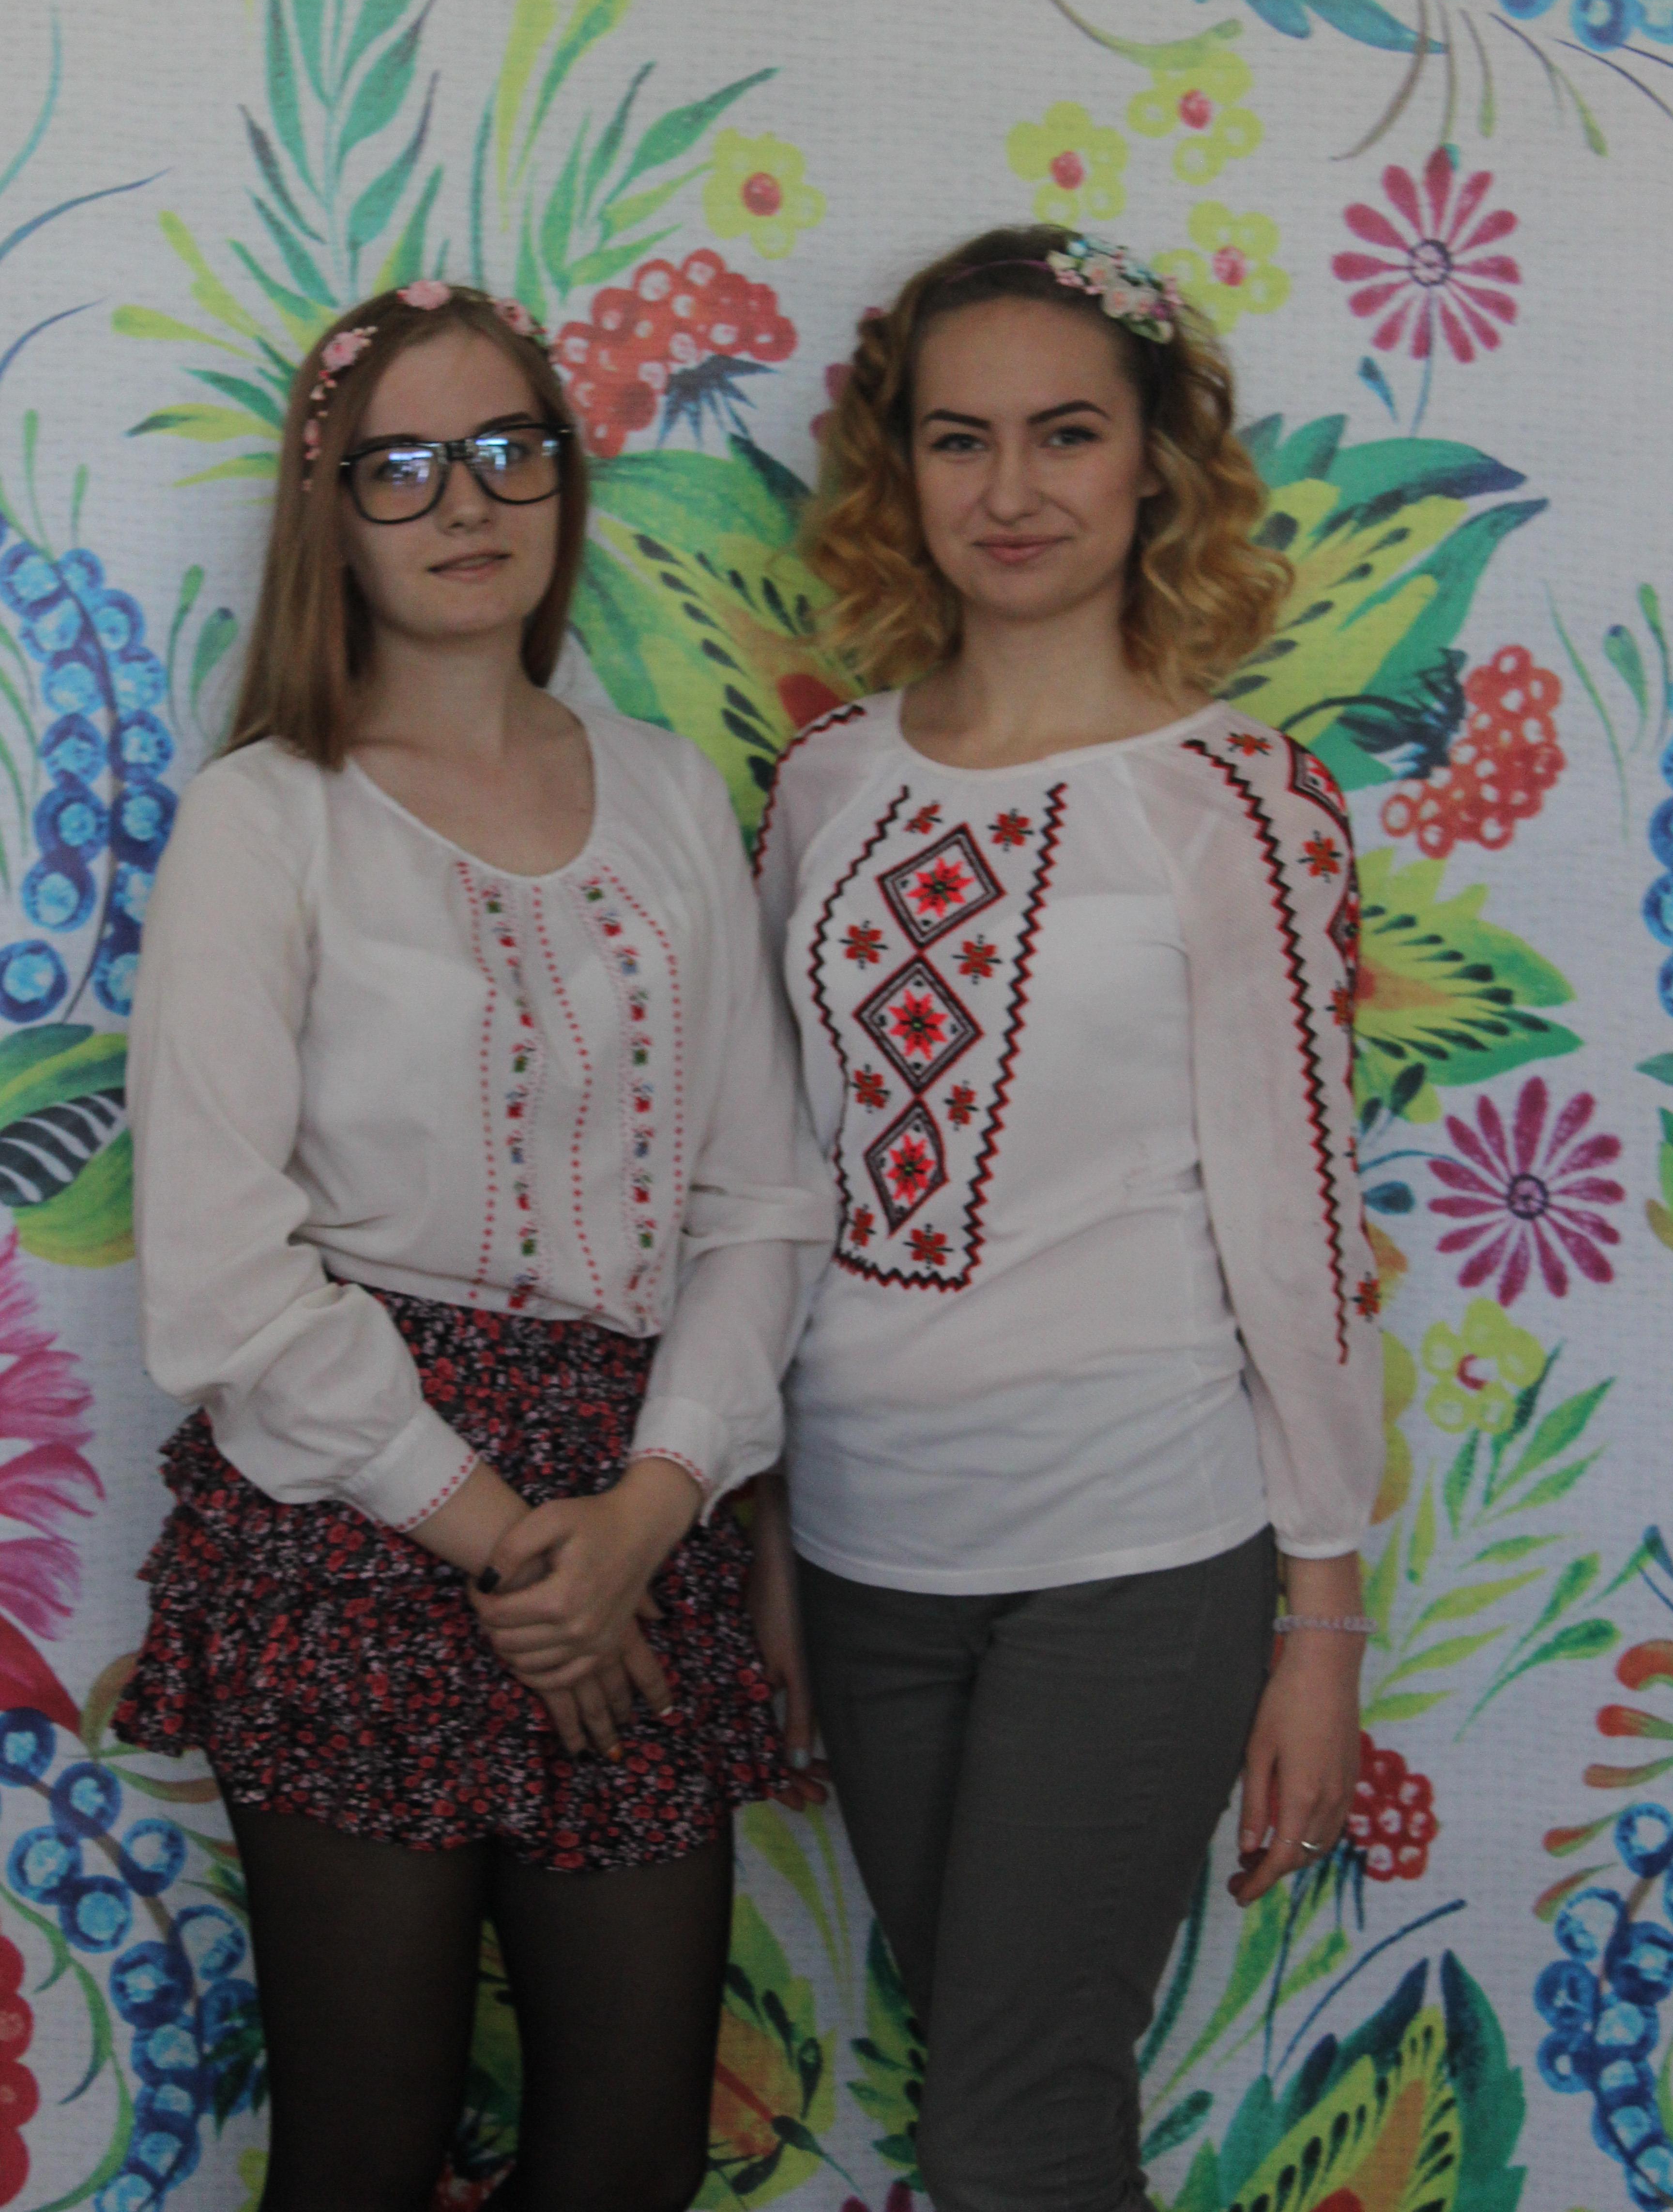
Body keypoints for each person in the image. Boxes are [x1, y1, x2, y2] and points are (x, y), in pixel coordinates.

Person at [114, 280, 832, 2212]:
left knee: (628, 2161)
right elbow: (220, 1268)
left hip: (636, 1516)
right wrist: (505, 1537)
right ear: (331, 510)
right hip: (356, 1511)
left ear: (565, 481)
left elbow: (761, 1202)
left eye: (509, 449)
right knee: (365, 2152)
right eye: (403, 465)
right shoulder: (269, 821)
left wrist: (646, 1512)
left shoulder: (669, 792)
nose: (464, 501)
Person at [748, 225, 1385, 2212]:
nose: (1010, 490)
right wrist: (765, 1542)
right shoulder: (825, 787)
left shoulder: (1235, 802)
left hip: (1135, 1548)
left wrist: (1323, 1626)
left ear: (1155, 463)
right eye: (960, 439)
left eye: (1067, 434)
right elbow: (769, 1189)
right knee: (1006, 2089)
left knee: (1008, 2129)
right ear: (901, 470)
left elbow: (1298, 1223)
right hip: (864, 1551)